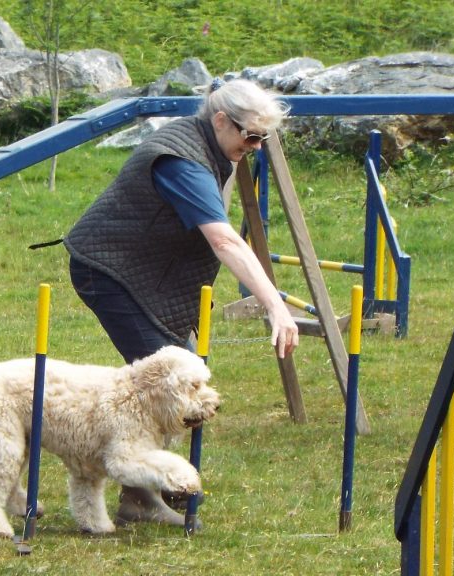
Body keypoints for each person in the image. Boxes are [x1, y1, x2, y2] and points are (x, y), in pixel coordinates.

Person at [63, 78, 300, 527]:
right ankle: (141, 494)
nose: (254, 146)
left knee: (177, 379)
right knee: (166, 384)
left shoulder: (210, 143)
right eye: (249, 135)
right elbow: (224, 240)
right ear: (219, 121)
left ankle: (141, 493)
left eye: (262, 139)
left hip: (147, 270)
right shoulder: (183, 162)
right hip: (110, 270)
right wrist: (273, 304)